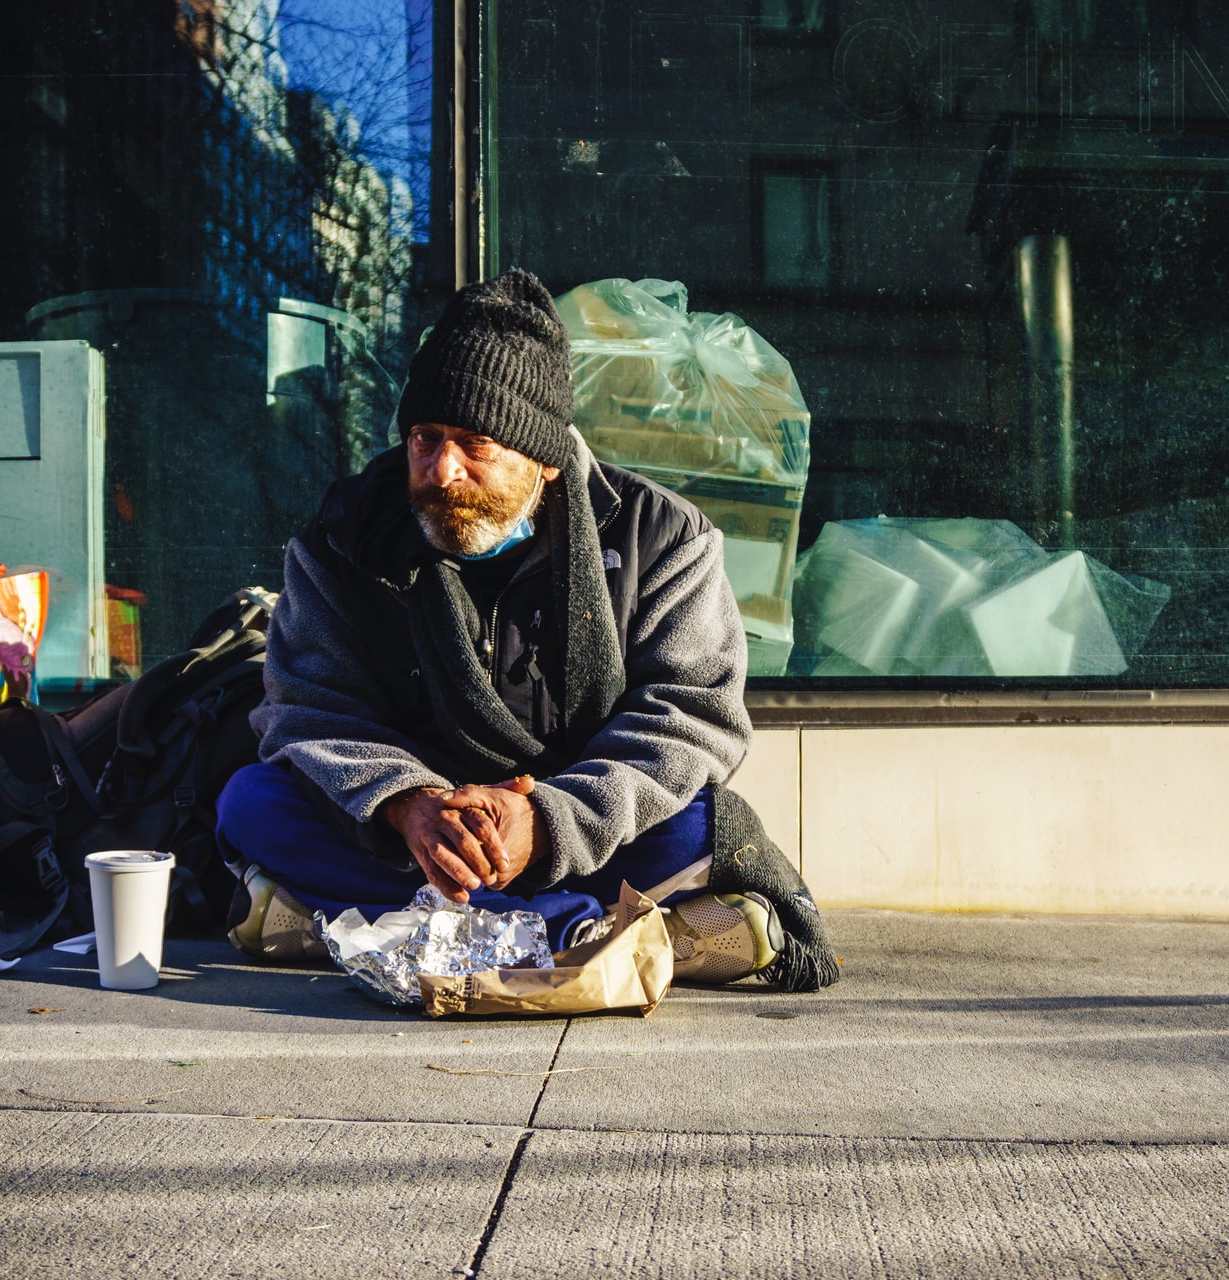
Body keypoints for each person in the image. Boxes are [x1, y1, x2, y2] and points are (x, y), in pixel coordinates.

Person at [215, 269, 838, 990]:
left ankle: (362, 925)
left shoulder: (662, 537)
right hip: (413, 839)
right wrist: (406, 805)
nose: (441, 470)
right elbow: (307, 708)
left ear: (543, 458)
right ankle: (586, 929)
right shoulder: (344, 538)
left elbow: (691, 719)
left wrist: (545, 822)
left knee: (701, 823)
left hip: (578, 825)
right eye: (425, 438)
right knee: (252, 803)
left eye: (475, 443)